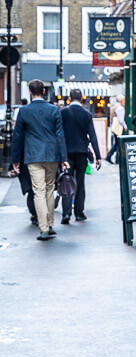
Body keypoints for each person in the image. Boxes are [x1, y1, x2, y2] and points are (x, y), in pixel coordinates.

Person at [11, 79, 69, 241]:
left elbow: (18, 137)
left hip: (33, 155)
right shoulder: (54, 110)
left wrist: (15, 159)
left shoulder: (24, 111)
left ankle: (43, 228)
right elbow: (60, 135)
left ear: (30, 92)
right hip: (52, 154)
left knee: (39, 191)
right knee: (50, 189)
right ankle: (49, 225)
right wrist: (64, 158)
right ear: (43, 91)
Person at [60, 88, 102, 224]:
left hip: (66, 153)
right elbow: (93, 136)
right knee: (80, 182)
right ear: (82, 98)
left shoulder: (63, 113)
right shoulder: (87, 114)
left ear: (69, 98)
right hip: (82, 152)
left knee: (66, 181)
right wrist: (98, 156)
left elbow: (59, 135)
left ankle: (66, 213)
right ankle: (79, 213)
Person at [106, 94, 127, 164]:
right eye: (123, 100)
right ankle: (114, 158)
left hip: (114, 128)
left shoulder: (114, 106)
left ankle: (114, 158)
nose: (124, 101)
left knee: (117, 144)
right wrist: (124, 126)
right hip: (119, 128)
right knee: (119, 144)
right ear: (121, 100)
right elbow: (121, 120)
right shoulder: (120, 108)